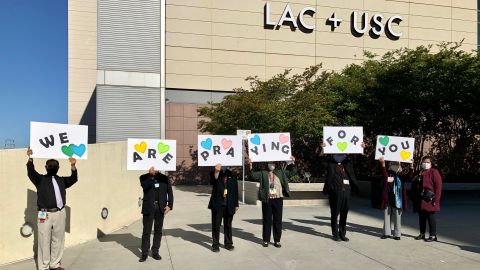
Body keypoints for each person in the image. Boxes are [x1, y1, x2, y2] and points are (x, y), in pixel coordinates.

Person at [26, 147, 78, 270]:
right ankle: (44, 266)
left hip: (60, 213)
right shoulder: (40, 179)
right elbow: (30, 172)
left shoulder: (61, 180)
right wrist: (30, 158)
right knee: (44, 241)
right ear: (46, 167)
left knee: (58, 239)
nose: (52, 167)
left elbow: (73, 179)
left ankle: (55, 264)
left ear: (58, 168)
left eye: (54, 165)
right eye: (50, 165)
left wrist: (73, 165)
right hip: (45, 214)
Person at [247, 157, 296, 248]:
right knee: (267, 220)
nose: (271, 164)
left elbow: (292, 173)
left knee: (277, 220)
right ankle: (266, 240)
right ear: (267, 164)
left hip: (278, 198)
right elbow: (252, 175)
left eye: (273, 163)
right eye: (270, 163)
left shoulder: (281, 172)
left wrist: (292, 162)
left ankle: (277, 240)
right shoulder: (263, 173)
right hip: (267, 199)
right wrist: (250, 165)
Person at [321, 143, 361, 242]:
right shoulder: (330, 164)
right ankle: (335, 234)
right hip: (335, 191)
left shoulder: (347, 164)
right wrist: (322, 149)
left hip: (346, 191)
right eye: (336, 154)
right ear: (333, 154)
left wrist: (360, 147)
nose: (339, 156)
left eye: (341, 154)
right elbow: (320, 162)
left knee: (344, 213)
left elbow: (355, 158)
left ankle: (342, 233)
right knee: (335, 213)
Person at [139, 166, 174, 262]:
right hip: (148, 208)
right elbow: (145, 186)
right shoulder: (143, 177)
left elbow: (170, 192)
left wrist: (169, 205)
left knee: (158, 231)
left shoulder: (164, 178)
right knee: (146, 231)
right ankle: (144, 253)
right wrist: (151, 176)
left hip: (160, 208)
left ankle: (155, 252)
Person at [378, 157, 412, 240]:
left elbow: (409, 176)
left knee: (397, 217)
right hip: (388, 199)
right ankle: (386, 233)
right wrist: (382, 164)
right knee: (387, 216)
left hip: (398, 200)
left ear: (399, 166)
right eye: (393, 164)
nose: (395, 166)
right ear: (390, 165)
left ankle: (397, 234)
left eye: (396, 164)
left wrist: (411, 166)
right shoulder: (387, 173)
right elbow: (384, 173)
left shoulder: (401, 176)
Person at [410, 156, 442, 242]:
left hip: (429, 198)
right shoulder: (419, 172)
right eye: (424, 162)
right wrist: (412, 167)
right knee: (422, 217)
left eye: (428, 162)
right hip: (420, 198)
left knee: (431, 217)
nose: (425, 163)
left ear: (431, 163)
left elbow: (438, 187)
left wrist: (436, 200)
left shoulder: (434, 172)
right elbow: (412, 179)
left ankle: (433, 235)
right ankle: (422, 233)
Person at [208, 163, 239, 252]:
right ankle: (215, 245)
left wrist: (236, 204)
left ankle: (228, 243)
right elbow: (212, 181)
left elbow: (235, 190)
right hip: (217, 204)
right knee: (216, 225)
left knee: (228, 225)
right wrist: (217, 171)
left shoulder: (232, 175)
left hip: (229, 204)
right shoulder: (214, 172)